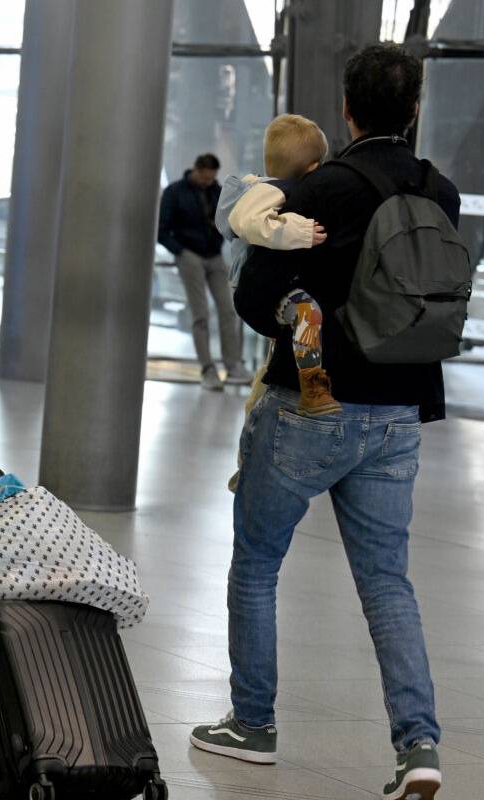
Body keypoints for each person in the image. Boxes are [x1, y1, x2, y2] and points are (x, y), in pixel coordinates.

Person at [189, 44, 459, 800]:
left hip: (311, 404)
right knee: (387, 583)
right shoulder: (441, 191)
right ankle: (419, 745)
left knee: (257, 561)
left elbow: (254, 297)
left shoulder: (323, 186)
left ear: (347, 109)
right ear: (415, 109)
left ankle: (253, 725)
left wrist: (294, 310)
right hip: (401, 411)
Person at [216, 113, 336, 421]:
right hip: (255, 287)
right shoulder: (272, 190)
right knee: (308, 313)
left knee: (291, 331)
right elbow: (247, 221)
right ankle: (313, 387)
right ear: (313, 168)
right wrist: (300, 231)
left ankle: (266, 396)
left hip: (261, 286)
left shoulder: (270, 188)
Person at [158, 153, 252, 391]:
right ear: (196, 170)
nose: (208, 181)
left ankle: (233, 365)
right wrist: (180, 251)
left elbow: (226, 221)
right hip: (189, 254)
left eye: (211, 178)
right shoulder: (174, 192)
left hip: (214, 255)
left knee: (227, 310)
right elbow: (162, 230)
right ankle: (208, 370)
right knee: (200, 314)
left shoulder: (216, 192)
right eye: (205, 177)